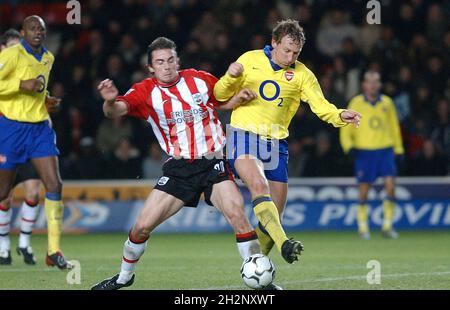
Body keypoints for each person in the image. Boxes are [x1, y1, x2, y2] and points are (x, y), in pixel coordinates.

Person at [91, 37, 283, 290]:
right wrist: (108, 101)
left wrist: (236, 100)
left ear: (178, 60)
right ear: (151, 68)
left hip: (213, 161)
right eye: (160, 62)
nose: (167, 66)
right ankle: (124, 277)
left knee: (238, 215)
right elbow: (115, 111)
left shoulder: (199, 79)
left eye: (170, 60)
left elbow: (220, 100)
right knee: (141, 227)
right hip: (179, 169)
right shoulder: (145, 92)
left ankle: (262, 281)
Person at [213, 19, 361, 260]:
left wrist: (340, 115)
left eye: (296, 53)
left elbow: (321, 106)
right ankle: (285, 244)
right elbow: (219, 95)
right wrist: (230, 77)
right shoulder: (249, 60)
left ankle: (256, 268)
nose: (290, 57)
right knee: (259, 188)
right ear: (274, 43)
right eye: (286, 50)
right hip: (243, 136)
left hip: (275, 145)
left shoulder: (303, 74)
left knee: (274, 221)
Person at [0, 16, 71, 269]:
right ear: (23, 33)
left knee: (54, 183)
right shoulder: (11, 55)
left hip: (39, 128)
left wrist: (46, 99)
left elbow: (38, 90)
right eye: (32, 28)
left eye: (41, 28)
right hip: (10, 128)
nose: (38, 32)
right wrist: (22, 84)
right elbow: (20, 85)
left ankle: (53, 250)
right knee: (3, 193)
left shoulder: (48, 58)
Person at [340, 71, 404, 239]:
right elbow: (345, 126)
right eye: (370, 82)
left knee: (390, 187)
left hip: (385, 150)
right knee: (363, 191)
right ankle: (363, 228)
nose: (373, 85)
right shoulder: (356, 102)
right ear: (364, 85)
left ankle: (387, 226)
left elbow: (394, 126)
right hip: (364, 151)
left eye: (376, 81)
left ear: (380, 84)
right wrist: (348, 147)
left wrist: (398, 148)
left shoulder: (387, 103)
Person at [0, 29, 44, 266]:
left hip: (29, 142)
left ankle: (24, 244)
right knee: (5, 198)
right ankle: (4, 246)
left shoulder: (29, 77)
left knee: (33, 192)